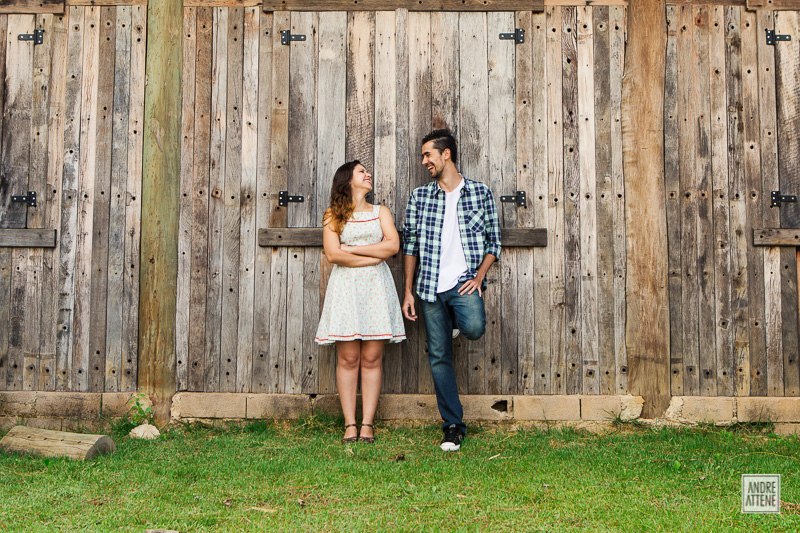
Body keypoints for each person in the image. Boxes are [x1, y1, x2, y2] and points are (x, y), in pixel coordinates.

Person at [402, 129, 501, 452]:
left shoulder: (480, 193)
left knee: (473, 328)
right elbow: (410, 246)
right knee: (439, 356)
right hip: (430, 287)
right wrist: (408, 292)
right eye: (423, 156)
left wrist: (480, 276)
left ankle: (456, 321)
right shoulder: (419, 197)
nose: (424, 161)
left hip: (463, 283)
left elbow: (494, 242)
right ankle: (453, 425)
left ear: (446, 154)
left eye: (428, 155)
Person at [315, 160, 406, 444]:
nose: (368, 175)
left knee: (371, 358)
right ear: (347, 179)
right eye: (361, 172)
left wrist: (352, 249)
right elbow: (333, 255)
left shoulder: (381, 212)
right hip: (346, 290)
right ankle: (349, 424)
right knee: (348, 358)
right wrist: (373, 257)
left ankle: (367, 423)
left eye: (367, 171)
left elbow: (393, 246)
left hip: (375, 289)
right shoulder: (333, 215)